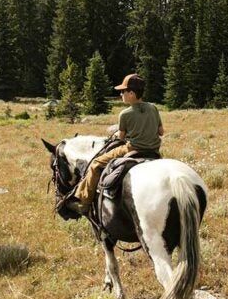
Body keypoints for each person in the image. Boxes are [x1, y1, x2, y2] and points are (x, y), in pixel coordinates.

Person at [70, 73, 163, 215]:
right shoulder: (153, 108)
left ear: (131, 93)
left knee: (96, 164)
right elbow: (161, 132)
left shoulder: (125, 114)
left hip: (133, 148)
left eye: (123, 91)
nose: (121, 94)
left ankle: (84, 203)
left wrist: (117, 134)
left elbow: (120, 137)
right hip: (154, 151)